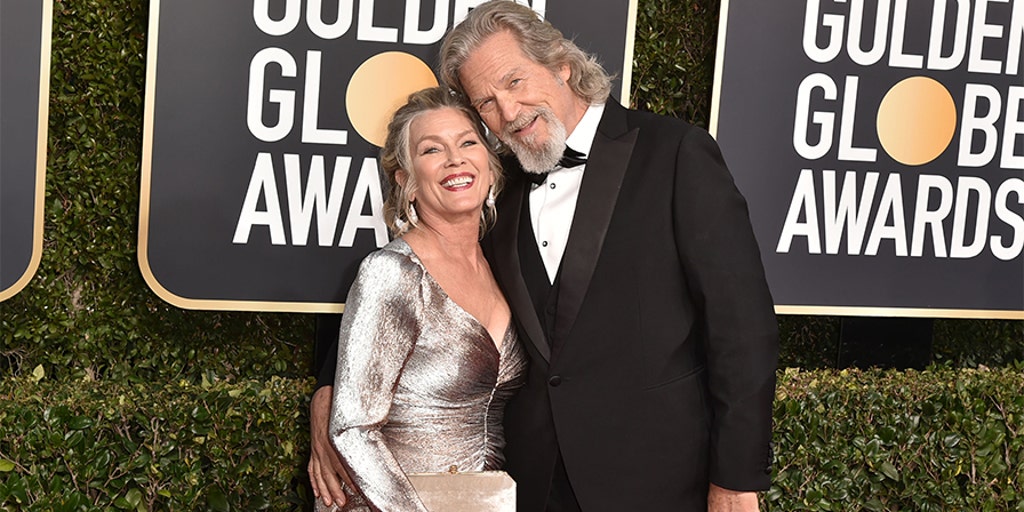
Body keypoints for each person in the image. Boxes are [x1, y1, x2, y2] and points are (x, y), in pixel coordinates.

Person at [311, 2, 780, 510]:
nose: (508, 113)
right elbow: (412, 279)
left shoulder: (675, 153)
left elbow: (742, 327)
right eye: (485, 102)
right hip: (531, 485)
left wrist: (735, 479)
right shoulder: (494, 187)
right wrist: (329, 391)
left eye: (514, 82)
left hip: (656, 481)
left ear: (561, 64)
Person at [312, 86, 527, 512]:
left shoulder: (507, 269)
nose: (455, 159)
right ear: (407, 182)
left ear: (489, 166)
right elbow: (353, 429)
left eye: (468, 142)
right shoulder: (391, 273)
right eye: (432, 149)